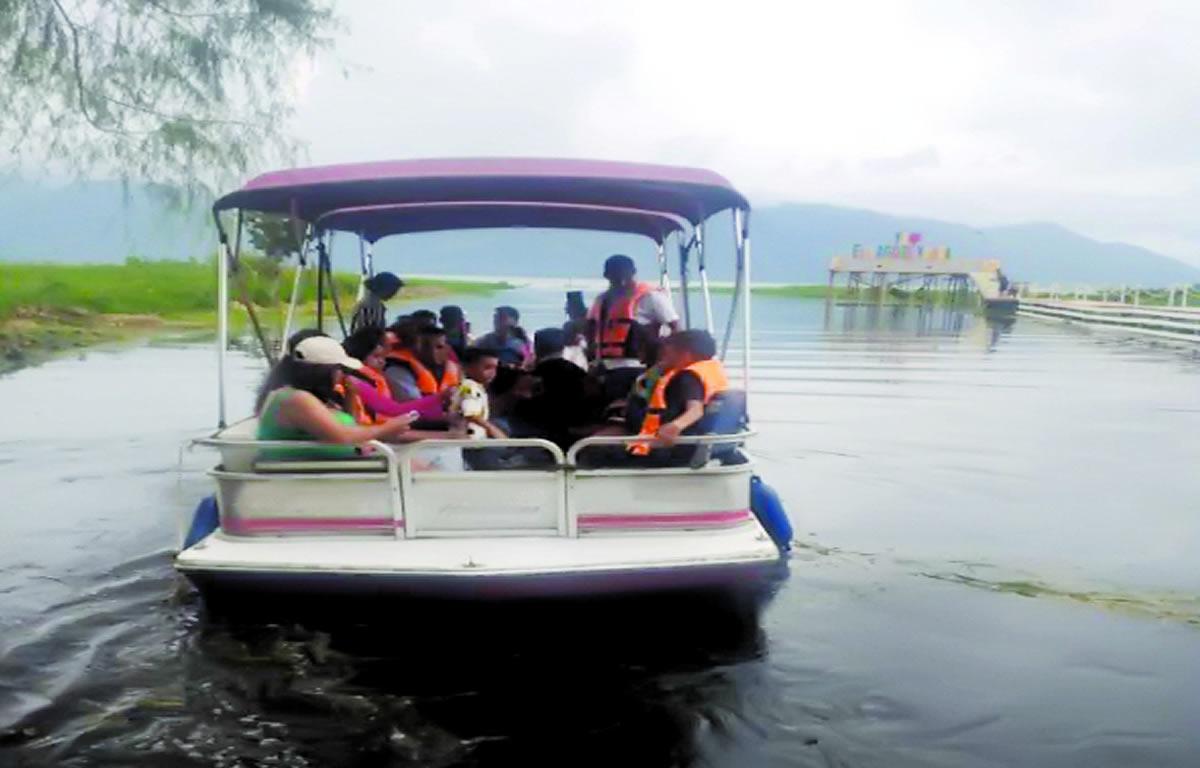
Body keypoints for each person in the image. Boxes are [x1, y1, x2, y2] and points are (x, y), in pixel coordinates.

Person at [255, 331, 419, 459]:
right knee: (412, 463)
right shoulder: (296, 400)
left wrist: (350, 397)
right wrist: (387, 428)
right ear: (322, 372)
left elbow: (351, 428)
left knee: (414, 460)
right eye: (339, 370)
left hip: (332, 464)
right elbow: (341, 436)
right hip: (306, 471)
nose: (342, 374)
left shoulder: (315, 399)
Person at [587, 254, 679, 399]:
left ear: (633, 272)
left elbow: (676, 328)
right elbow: (590, 330)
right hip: (604, 367)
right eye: (614, 273)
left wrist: (663, 359)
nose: (621, 278)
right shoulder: (601, 300)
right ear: (606, 275)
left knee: (634, 404)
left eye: (624, 273)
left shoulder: (651, 296)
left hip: (639, 367)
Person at [629, 330, 728, 457]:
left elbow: (695, 410)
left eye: (667, 353)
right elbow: (644, 385)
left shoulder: (688, 377)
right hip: (694, 442)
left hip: (667, 448)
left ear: (685, 353)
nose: (663, 357)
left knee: (605, 452)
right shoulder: (710, 370)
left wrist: (675, 426)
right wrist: (659, 369)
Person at [515, 328, 603, 451]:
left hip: (538, 437)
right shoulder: (580, 374)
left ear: (537, 348)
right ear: (562, 348)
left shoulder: (531, 376)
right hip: (577, 438)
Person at [342, 327, 447, 424]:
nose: (382, 362)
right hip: (373, 433)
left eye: (383, 357)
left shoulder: (370, 379)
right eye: (376, 356)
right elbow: (394, 410)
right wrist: (441, 397)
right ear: (360, 355)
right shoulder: (355, 381)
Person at [384, 324, 462, 400]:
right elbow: (412, 404)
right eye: (425, 346)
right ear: (414, 347)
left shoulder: (450, 369)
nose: (432, 352)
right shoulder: (396, 371)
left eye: (442, 346)